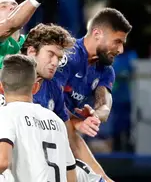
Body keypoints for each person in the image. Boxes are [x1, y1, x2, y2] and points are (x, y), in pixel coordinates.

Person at [19, 23, 109, 182]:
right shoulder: (9, 81)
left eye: (59, 58)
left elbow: (71, 139)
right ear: (31, 52)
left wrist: (105, 178)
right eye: (51, 54)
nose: (55, 62)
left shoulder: (53, 87)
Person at [0, 54, 76, 182]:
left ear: (1, 87)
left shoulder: (5, 114)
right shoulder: (56, 120)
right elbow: (71, 175)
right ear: (36, 87)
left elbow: (2, 161)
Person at [55, 7, 132, 124]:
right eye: (117, 42)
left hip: (67, 127)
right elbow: (53, 99)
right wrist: (77, 123)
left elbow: (105, 108)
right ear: (97, 34)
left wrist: (94, 114)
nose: (121, 50)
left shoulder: (106, 71)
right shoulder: (69, 55)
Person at [0, 0, 65, 67]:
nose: (12, 7)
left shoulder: (31, 42)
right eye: (3, 6)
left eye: (15, 5)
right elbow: (10, 24)